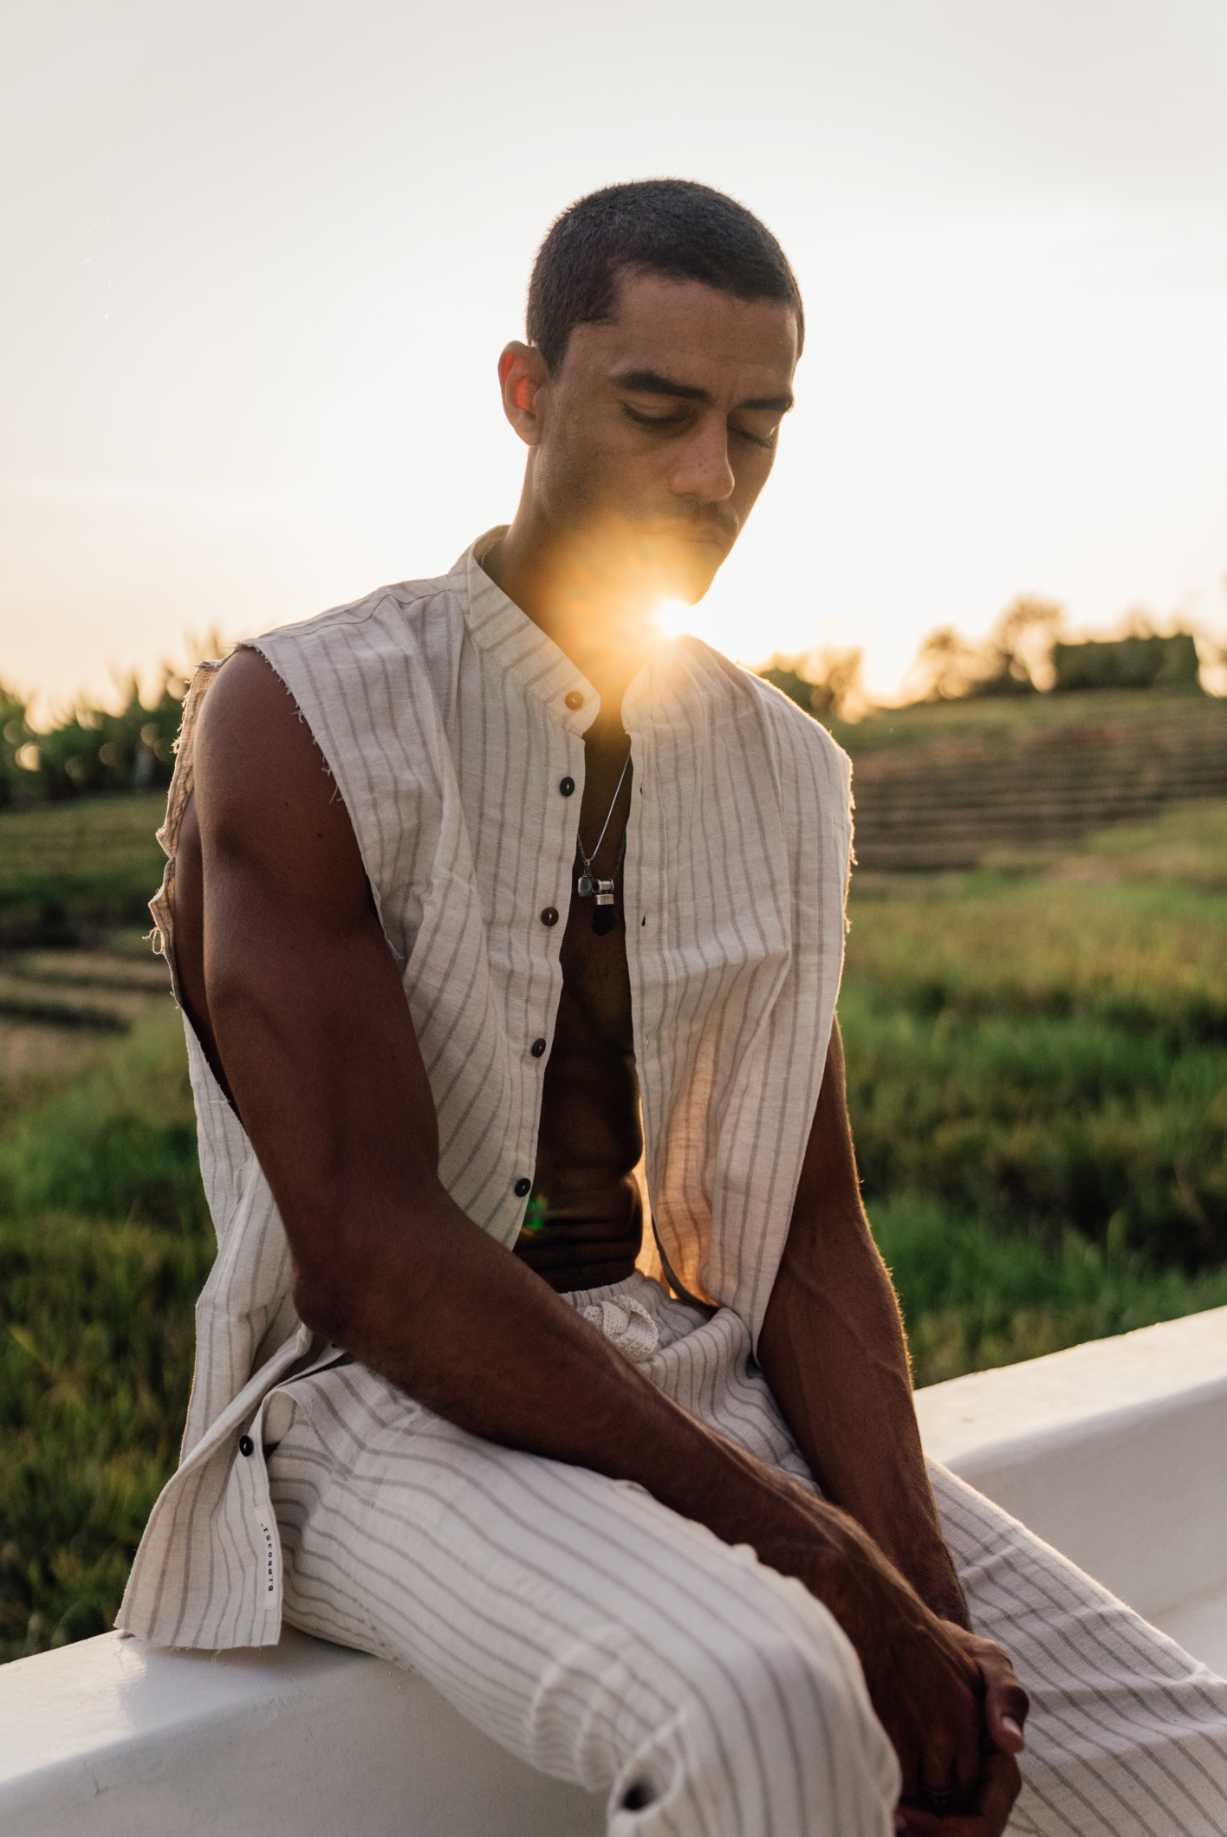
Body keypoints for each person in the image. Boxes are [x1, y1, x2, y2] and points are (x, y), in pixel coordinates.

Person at [115, 178, 1227, 1836]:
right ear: (525, 389)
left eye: (758, 429)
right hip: (359, 1410)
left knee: (1187, 1767)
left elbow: (810, 1232)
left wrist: (934, 1617)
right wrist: (829, 1569)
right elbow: (367, 1245)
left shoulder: (783, 768)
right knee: (773, 1703)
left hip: (684, 1365)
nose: (714, 479)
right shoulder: (302, 715)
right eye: (659, 410)